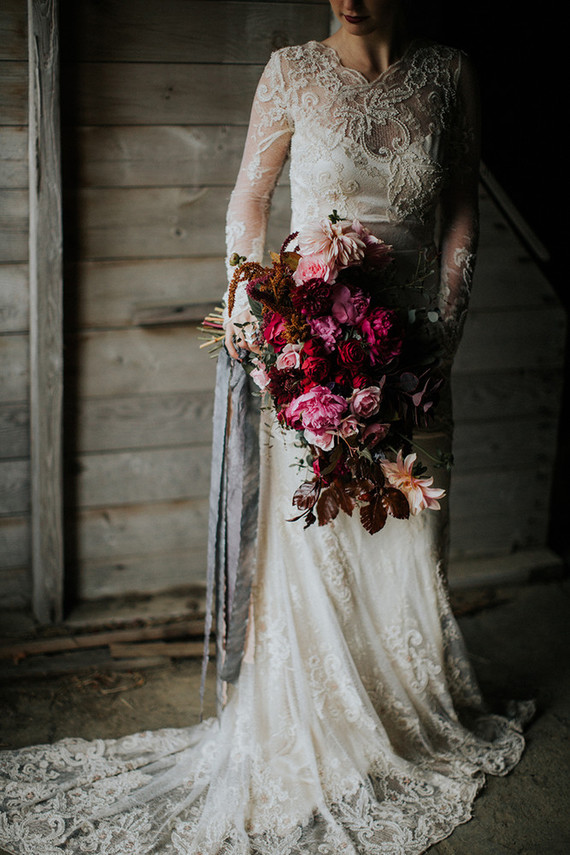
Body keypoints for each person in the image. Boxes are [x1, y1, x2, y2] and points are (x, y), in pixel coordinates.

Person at [0, 2, 533, 853]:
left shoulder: (451, 75)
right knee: (318, 546)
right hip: (314, 353)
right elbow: (248, 203)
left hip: (416, 360)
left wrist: (446, 336)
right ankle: (314, 727)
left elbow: (461, 211)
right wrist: (259, 321)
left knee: (407, 535)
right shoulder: (291, 70)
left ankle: (401, 714)